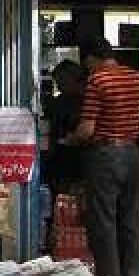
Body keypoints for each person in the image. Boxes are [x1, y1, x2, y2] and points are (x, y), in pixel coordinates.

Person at [66, 35, 139, 276]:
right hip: (132, 156)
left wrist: (72, 139)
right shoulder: (138, 79)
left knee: (103, 225)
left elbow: (86, 129)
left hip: (105, 156)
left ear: (91, 59)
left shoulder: (98, 81)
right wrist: (133, 130)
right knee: (130, 222)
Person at [45, 60, 87, 194]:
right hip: (62, 159)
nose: (59, 86)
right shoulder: (59, 101)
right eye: (57, 83)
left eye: (61, 82)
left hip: (80, 160)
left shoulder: (88, 100)